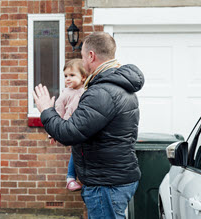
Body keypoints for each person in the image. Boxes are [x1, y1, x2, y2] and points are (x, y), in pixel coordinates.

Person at [33, 32, 144, 218]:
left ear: (91, 56)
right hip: (114, 180)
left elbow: (70, 133)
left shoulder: (102, 92)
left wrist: (46, 110)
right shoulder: (117, 86)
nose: (82, 62)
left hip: (106, 184)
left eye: (83, 57)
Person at [50, 59, 88, 192]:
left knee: (82, 151)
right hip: (70, 126)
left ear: (83, 77)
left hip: (84, 127)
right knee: (75, 151)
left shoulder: (87, 91)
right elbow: (58, 110)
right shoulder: (66, 93)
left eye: (72, 75)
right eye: (66, 76)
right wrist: (53, 133)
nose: (68, 79)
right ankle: (70, 178)